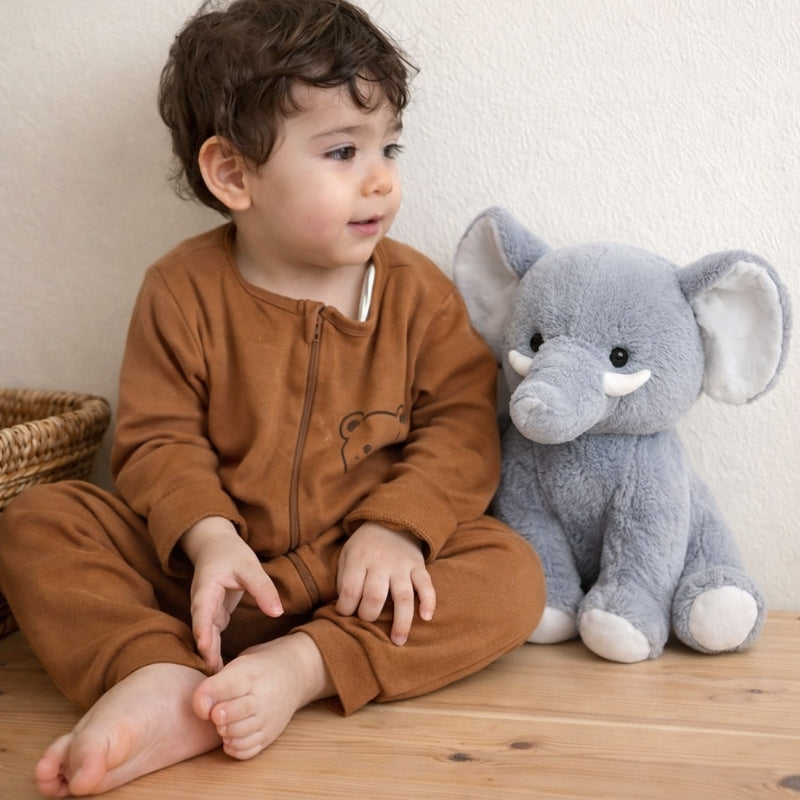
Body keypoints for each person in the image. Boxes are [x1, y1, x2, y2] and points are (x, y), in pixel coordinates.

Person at [0, 0, 545, 795]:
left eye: (388, 146)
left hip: (352, 580)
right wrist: (210, 540)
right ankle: (156, 674)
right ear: (232, 174)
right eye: (343, 151)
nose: (382, 178)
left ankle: (305, 667)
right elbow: (157, 441)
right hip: (203, 583)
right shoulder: (182, 291)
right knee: (41, 521)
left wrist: (397, 528)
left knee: (511, 572)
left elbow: (461, 429)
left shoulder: (417, 295)